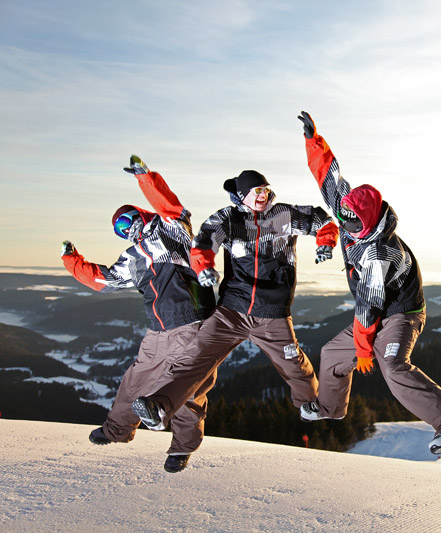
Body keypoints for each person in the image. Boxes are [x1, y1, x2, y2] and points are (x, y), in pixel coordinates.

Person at [296, 111, 441, 455]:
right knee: (332, 353)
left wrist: (364, 350)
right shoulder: (349, 210)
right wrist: (312, 139)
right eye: (342, 218)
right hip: (376, 310)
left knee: (392, 365)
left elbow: (368, 308)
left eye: (353, 224)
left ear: (370, 220)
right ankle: (330, 407)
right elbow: (328, 176)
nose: (346, 227)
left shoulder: (380, 253)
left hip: (401, 314)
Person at [131, 169, 339, 440]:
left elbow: (322, 219)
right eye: (257, 192)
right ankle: (159, 406)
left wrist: (326, 242)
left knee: (294, 365)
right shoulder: (228, 219)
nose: (263, 196)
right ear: (242, 196)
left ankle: (310, 405)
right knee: (195, 357)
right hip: (232, 311)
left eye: (265, 190)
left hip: (272, 312)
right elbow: (203, 241)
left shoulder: (284, 214)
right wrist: (204, 266)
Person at [61, 155, 217, 473]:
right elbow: (103, 280)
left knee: (188, 391)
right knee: (134, 383)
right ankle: (116, 430)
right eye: (121, 228)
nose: (129, 229)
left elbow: (171, 209)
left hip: (191, 323)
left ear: (141, 215)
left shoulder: (171, 233)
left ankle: (182, 448)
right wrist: (72, 259)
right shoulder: (132, 257)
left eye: (129, 219)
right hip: (157, 331)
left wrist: (146, 179)